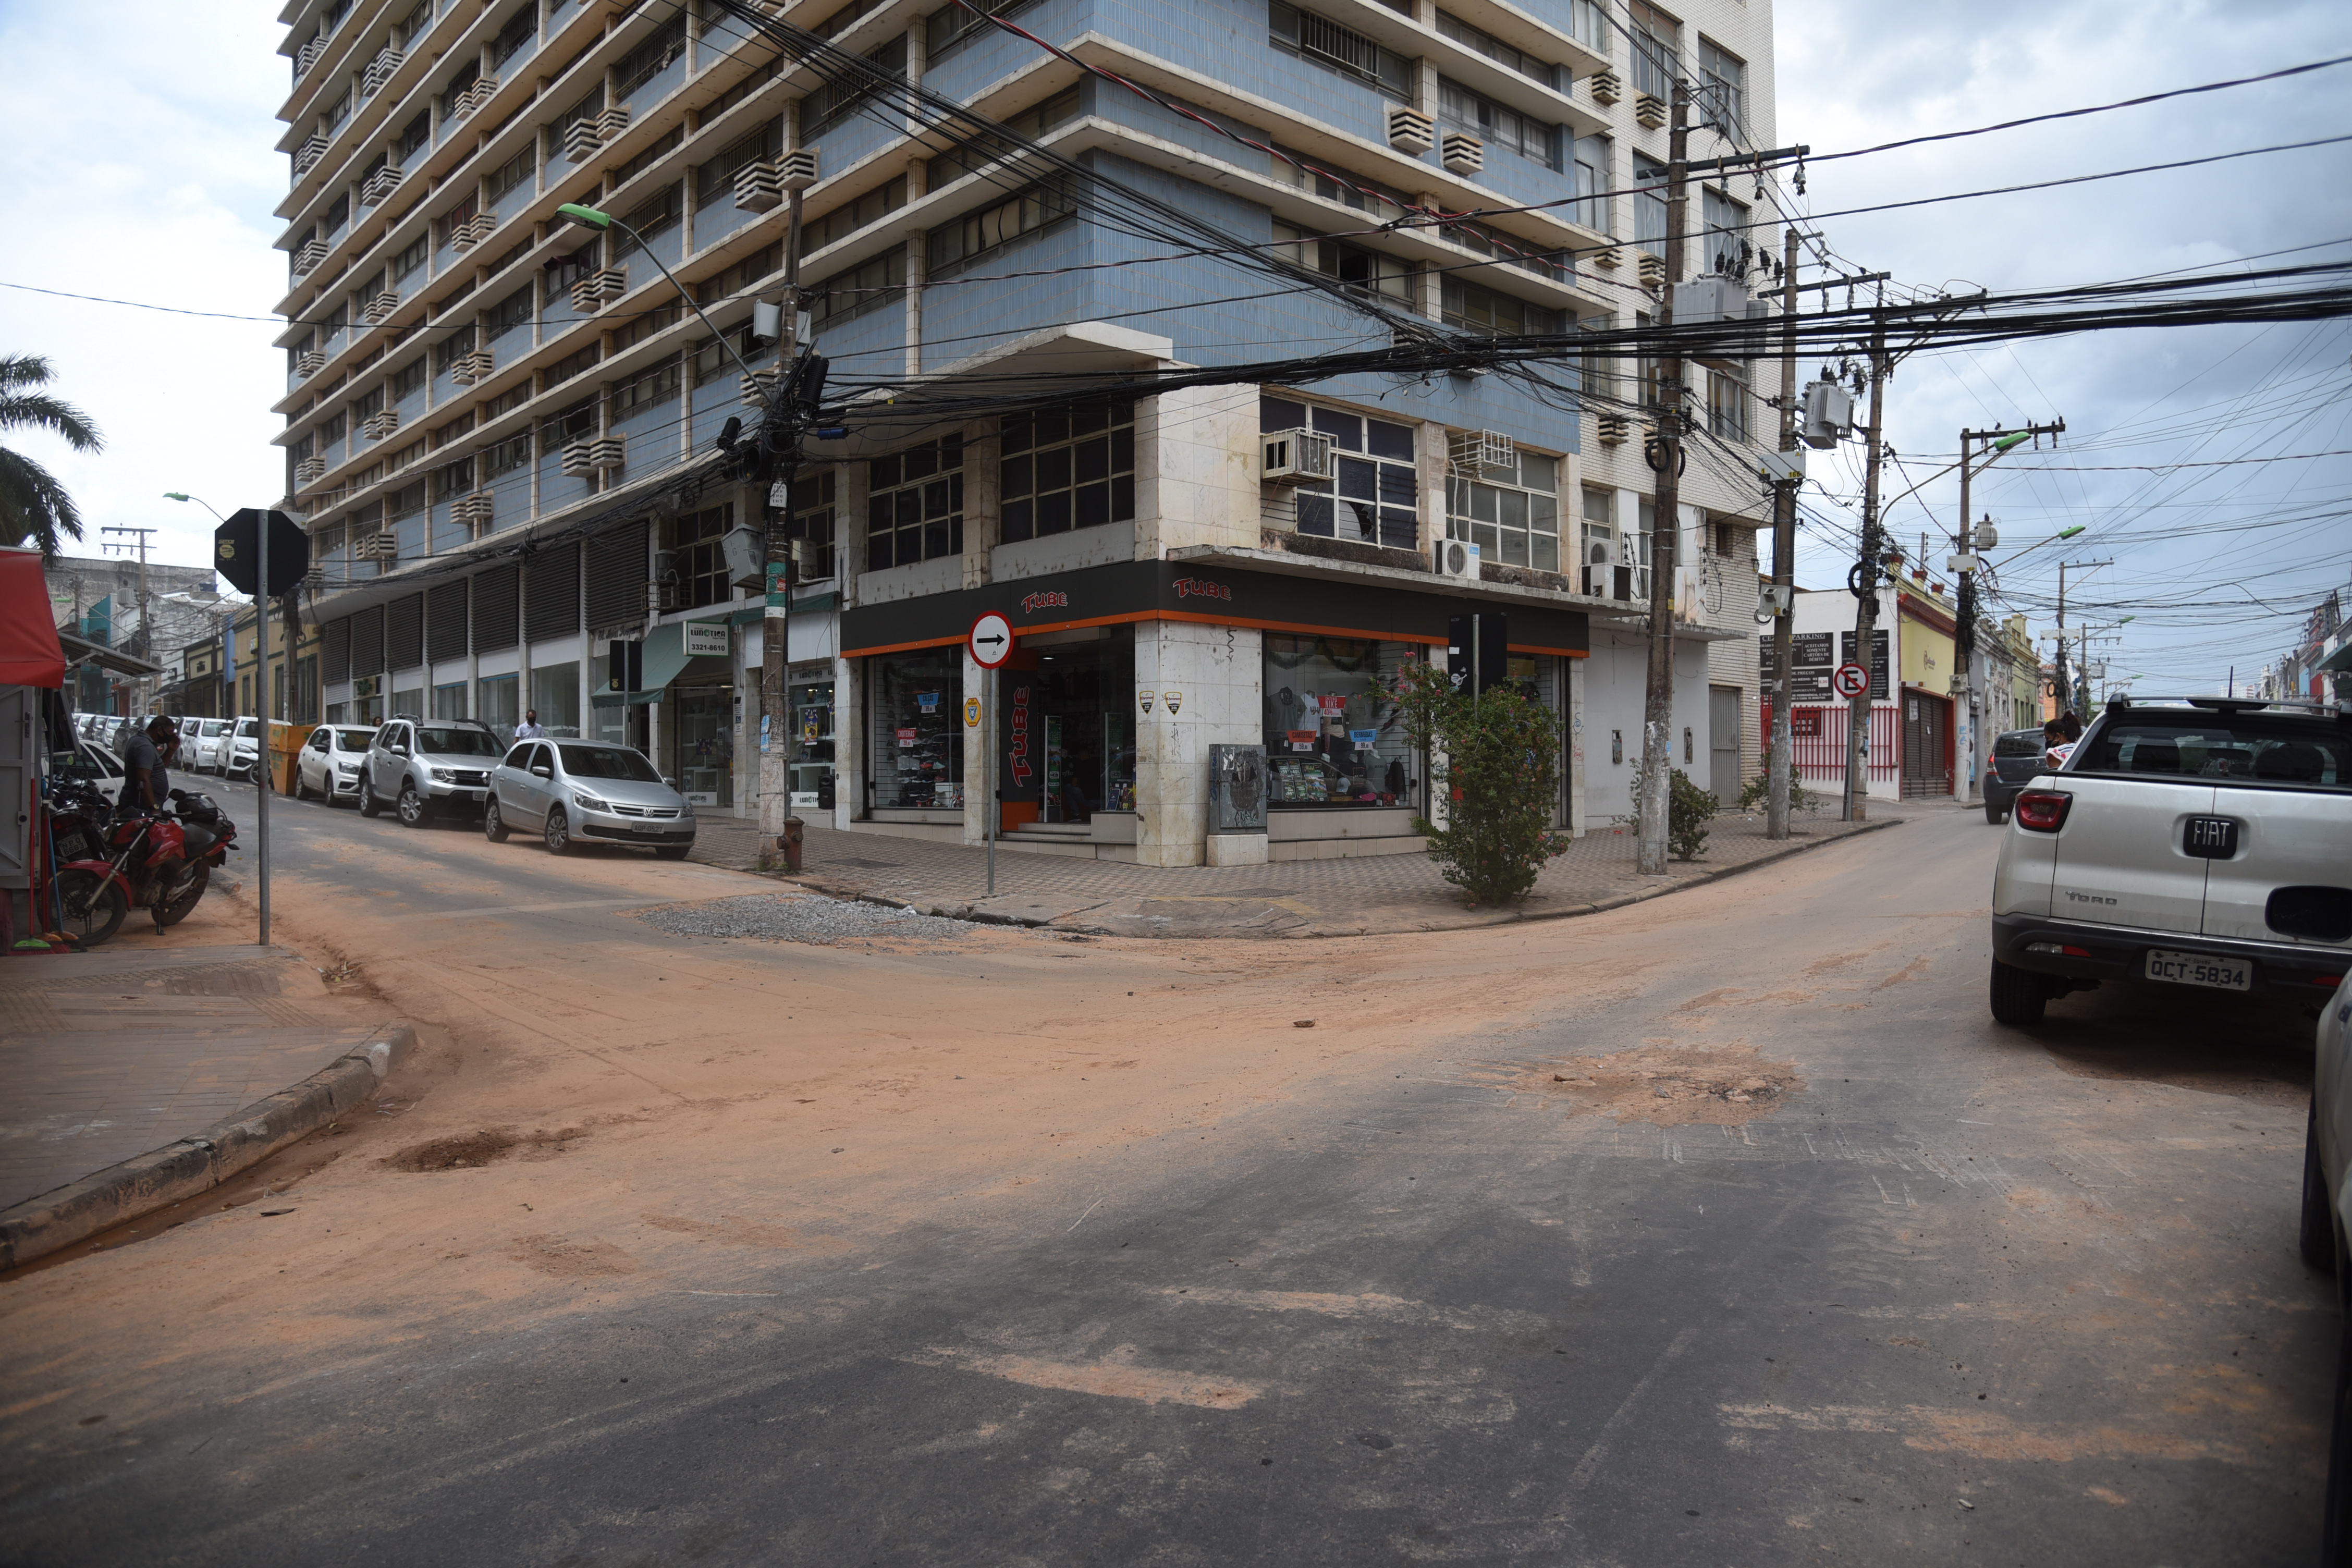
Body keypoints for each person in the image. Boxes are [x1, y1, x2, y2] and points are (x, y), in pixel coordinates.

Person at [122, 716, 176, 816]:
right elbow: (143, 780)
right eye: (171, 732)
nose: (172, 736)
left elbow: (157, 767)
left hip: (142, 804)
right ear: (159, 730)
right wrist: (154, 808)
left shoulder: (139, 739)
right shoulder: (145, 747)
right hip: (143, 807)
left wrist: (171, 750)